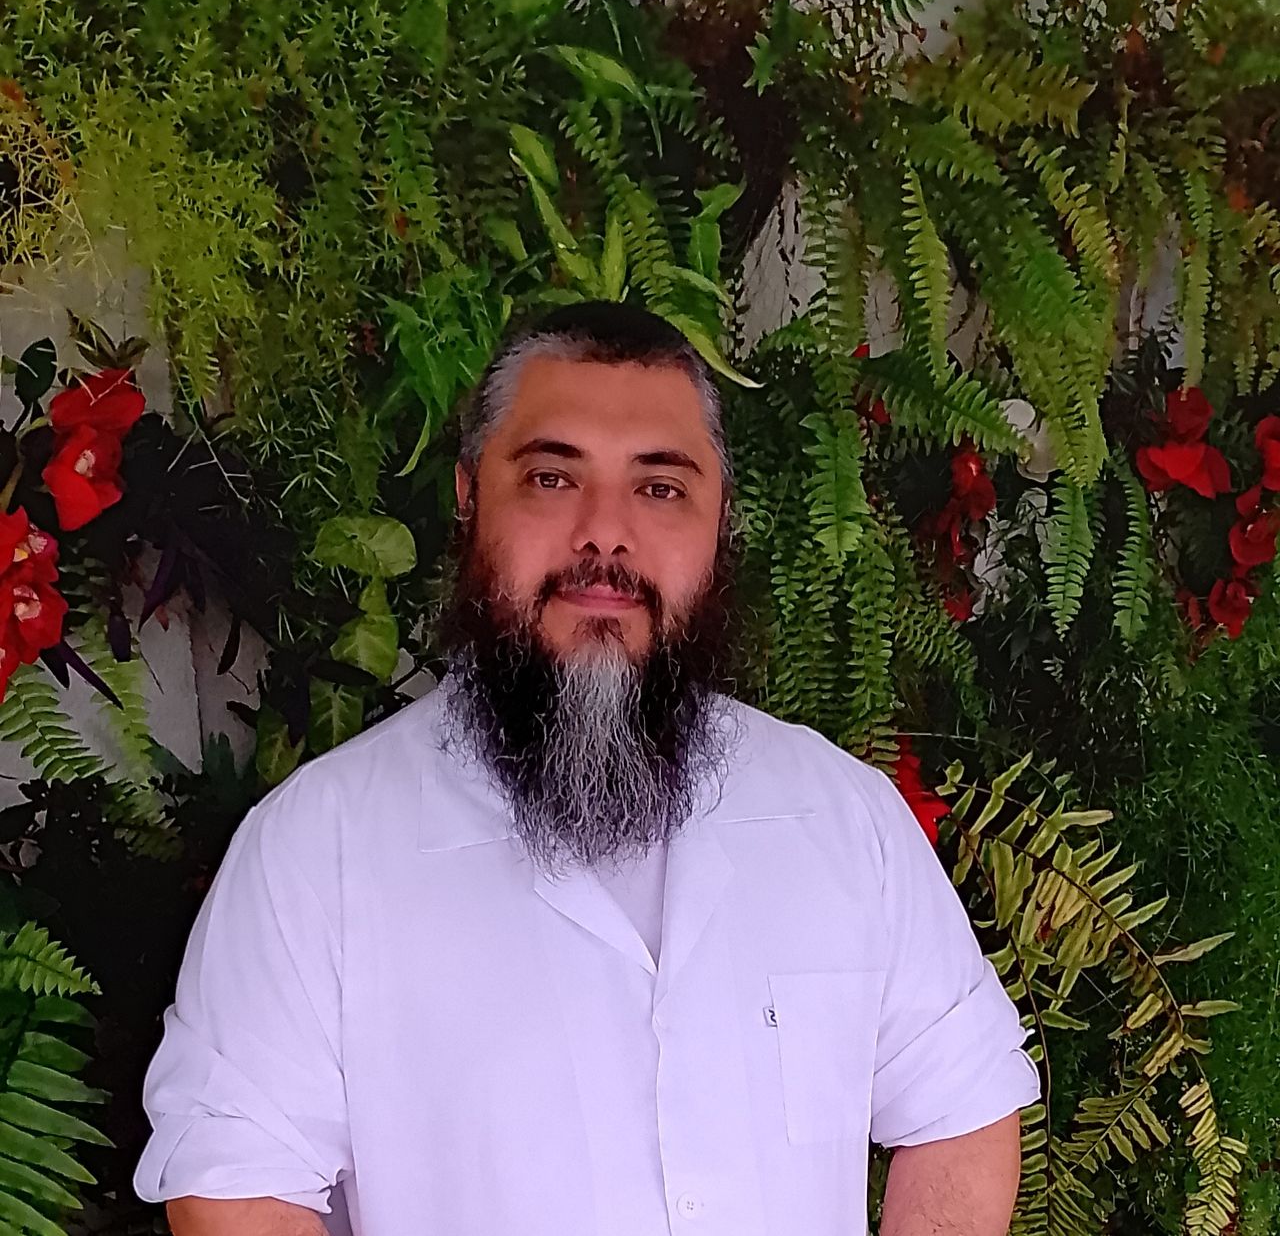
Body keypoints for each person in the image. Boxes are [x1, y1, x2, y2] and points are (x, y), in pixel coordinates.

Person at [136, 301, 1041, 1236]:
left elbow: (962, 1108)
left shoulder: (841, 819)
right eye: (552, 477)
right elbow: (236, 1189)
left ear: (721, 519)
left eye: (661, 488)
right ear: (469, 497)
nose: (605, 535)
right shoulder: (313, 854)